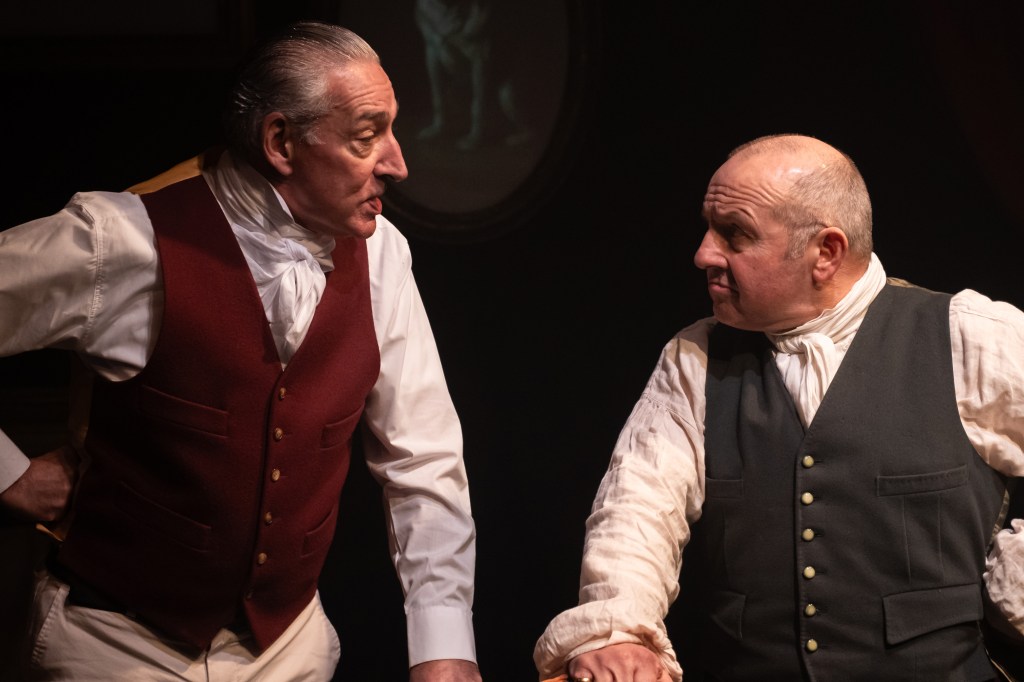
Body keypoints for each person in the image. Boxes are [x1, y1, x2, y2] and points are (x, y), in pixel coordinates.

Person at [0, 20, 482, 682]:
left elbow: (423, 456)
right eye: (367, 137)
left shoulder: (382, 255)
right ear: (281, 141)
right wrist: (8, 476)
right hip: (114, 648)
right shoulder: (127, 242)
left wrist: (442, 646)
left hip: (287, 652)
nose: (397, 163)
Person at [534, 134, 1024, 681]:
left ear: (825, 253)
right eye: (708, 227)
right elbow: (637, 509)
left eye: (735, 235)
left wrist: (1012, 579)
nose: (703, 254)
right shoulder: (696, 359)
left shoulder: (970, 339)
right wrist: (620, 629)